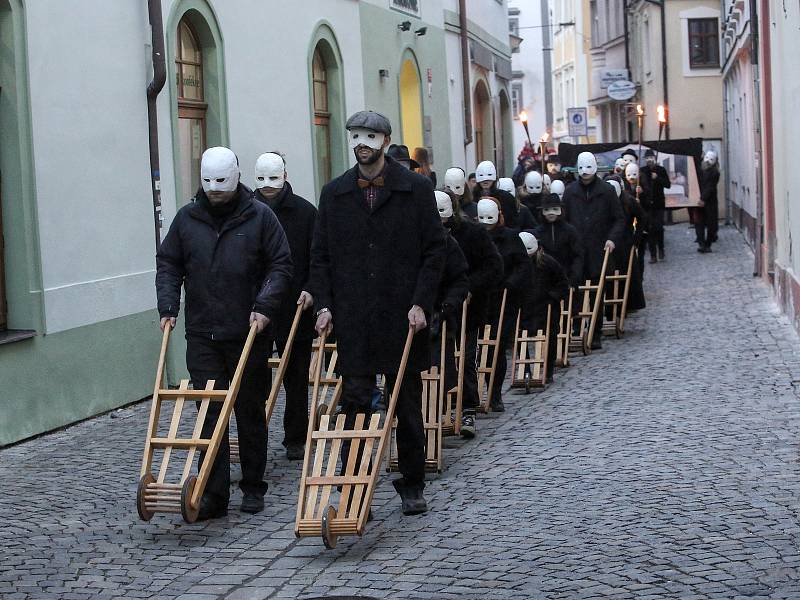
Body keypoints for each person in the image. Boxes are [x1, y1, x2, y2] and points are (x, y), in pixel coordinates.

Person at [309, 110, 446, 515]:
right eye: (355, 136)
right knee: (354, 404)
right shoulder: (335, 194)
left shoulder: (416, 190)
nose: (361, 144)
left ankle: (412, 482)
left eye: (370, 136)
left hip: (402, 316)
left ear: (385, 141)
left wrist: (422, 301)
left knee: (405, 403)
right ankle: (354, 484)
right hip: (354, 318)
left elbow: (434, 251)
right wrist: (325, 304)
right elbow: (320, 256)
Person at [156, 146, 293, 520]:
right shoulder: (187, 219)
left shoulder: (260, 217)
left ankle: (252, 485)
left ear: (233, 178)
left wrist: (264, 307)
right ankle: (214, 493)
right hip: (202, 332)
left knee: (249, 409)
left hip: (247, 330)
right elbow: (169, 263)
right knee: (209, 413)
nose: (215, 191)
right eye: (209, 185)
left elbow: (280, 266)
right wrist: (168, 306)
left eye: (222, 184)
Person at [252, 152, 317, 461]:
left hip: (295, 306)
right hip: (257, 308)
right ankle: (255, 435)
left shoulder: (305, 213)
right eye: (261, 180)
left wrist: (311, 289)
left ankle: (296, 436)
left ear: (285, 175)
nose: (267, 187)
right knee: (255, 375)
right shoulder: (245, 212)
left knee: (295, 377)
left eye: (272, 179)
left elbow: (318, 257)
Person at [443, 189, 503, 437]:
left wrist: (469, 287)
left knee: (466, 358)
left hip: (468, 308)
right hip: (440, 308)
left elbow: (492, 265)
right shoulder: (424, 233)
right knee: (442, 361)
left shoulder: (473, 233)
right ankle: (444, 408)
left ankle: (467, 407)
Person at [562, 152, 625, 350]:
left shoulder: (606, 191)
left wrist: (612, 239)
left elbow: (619, 218)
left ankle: (595, 332)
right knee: (576, 289)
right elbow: (565, 218)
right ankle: (577, 327)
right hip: (577, 249)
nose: (585, 173)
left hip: (599, 247)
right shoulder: (571, 192)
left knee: (598, 291)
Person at [478, 197, 530, 412]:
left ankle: (495, 393)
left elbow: (522, 265)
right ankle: (476, 394)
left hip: (504, 299)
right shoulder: (477, 236)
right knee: (479, 348)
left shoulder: (510, 237)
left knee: (496, 347)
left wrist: (511, 283)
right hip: (482, 298)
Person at [432, 190, 470, 418]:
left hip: (440, 315)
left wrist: (449, 305)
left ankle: (438, 415)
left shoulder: (448, 243)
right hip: (411, 317)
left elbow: (459, 279)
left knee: (440, 370)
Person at [518, 231, 569, 383]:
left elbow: (563, 284)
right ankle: (525, 370)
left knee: (550, 336)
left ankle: (548, 370)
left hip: (546, 307)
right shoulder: (518, 263)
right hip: (526, 307)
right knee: (521, 336)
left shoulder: (548, 262)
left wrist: (551, 297)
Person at [534, 193, 584, 290]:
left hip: (567, 279)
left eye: (555, 209)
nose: (551, 213)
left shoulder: (570, 231)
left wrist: (574, 279)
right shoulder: (538, 232)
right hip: (545, 282)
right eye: (547, 210)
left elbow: (578, 256)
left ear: (561, 210)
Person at [640, 149, 671, 262]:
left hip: (658, 204)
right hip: (647, 205)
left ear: (654, 158)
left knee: (658, 228)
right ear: (645, 160)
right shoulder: (642, 171)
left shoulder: (661, 170)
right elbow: (639, 185)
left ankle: (661, 248)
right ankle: (653, 255)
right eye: (647, 158)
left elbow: (668, 185)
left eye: (651, 158)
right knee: (650, 229)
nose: (649, 160)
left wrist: (657, 178)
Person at [474, 161, 519, 228]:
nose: (485, 180)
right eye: (482, 177)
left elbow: (513, 223)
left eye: (489, 176)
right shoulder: (473, 198)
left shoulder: (507, 198)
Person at [696, 150, 720, 253]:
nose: (708, 161)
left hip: (709, 201)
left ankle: (707, 243)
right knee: (699, 223)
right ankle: (702, 243)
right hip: (699, 200)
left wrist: (703, 199)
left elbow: (710, 187)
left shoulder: (715, 173)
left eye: (711, 160)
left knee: (711, 224)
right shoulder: (699, 170)